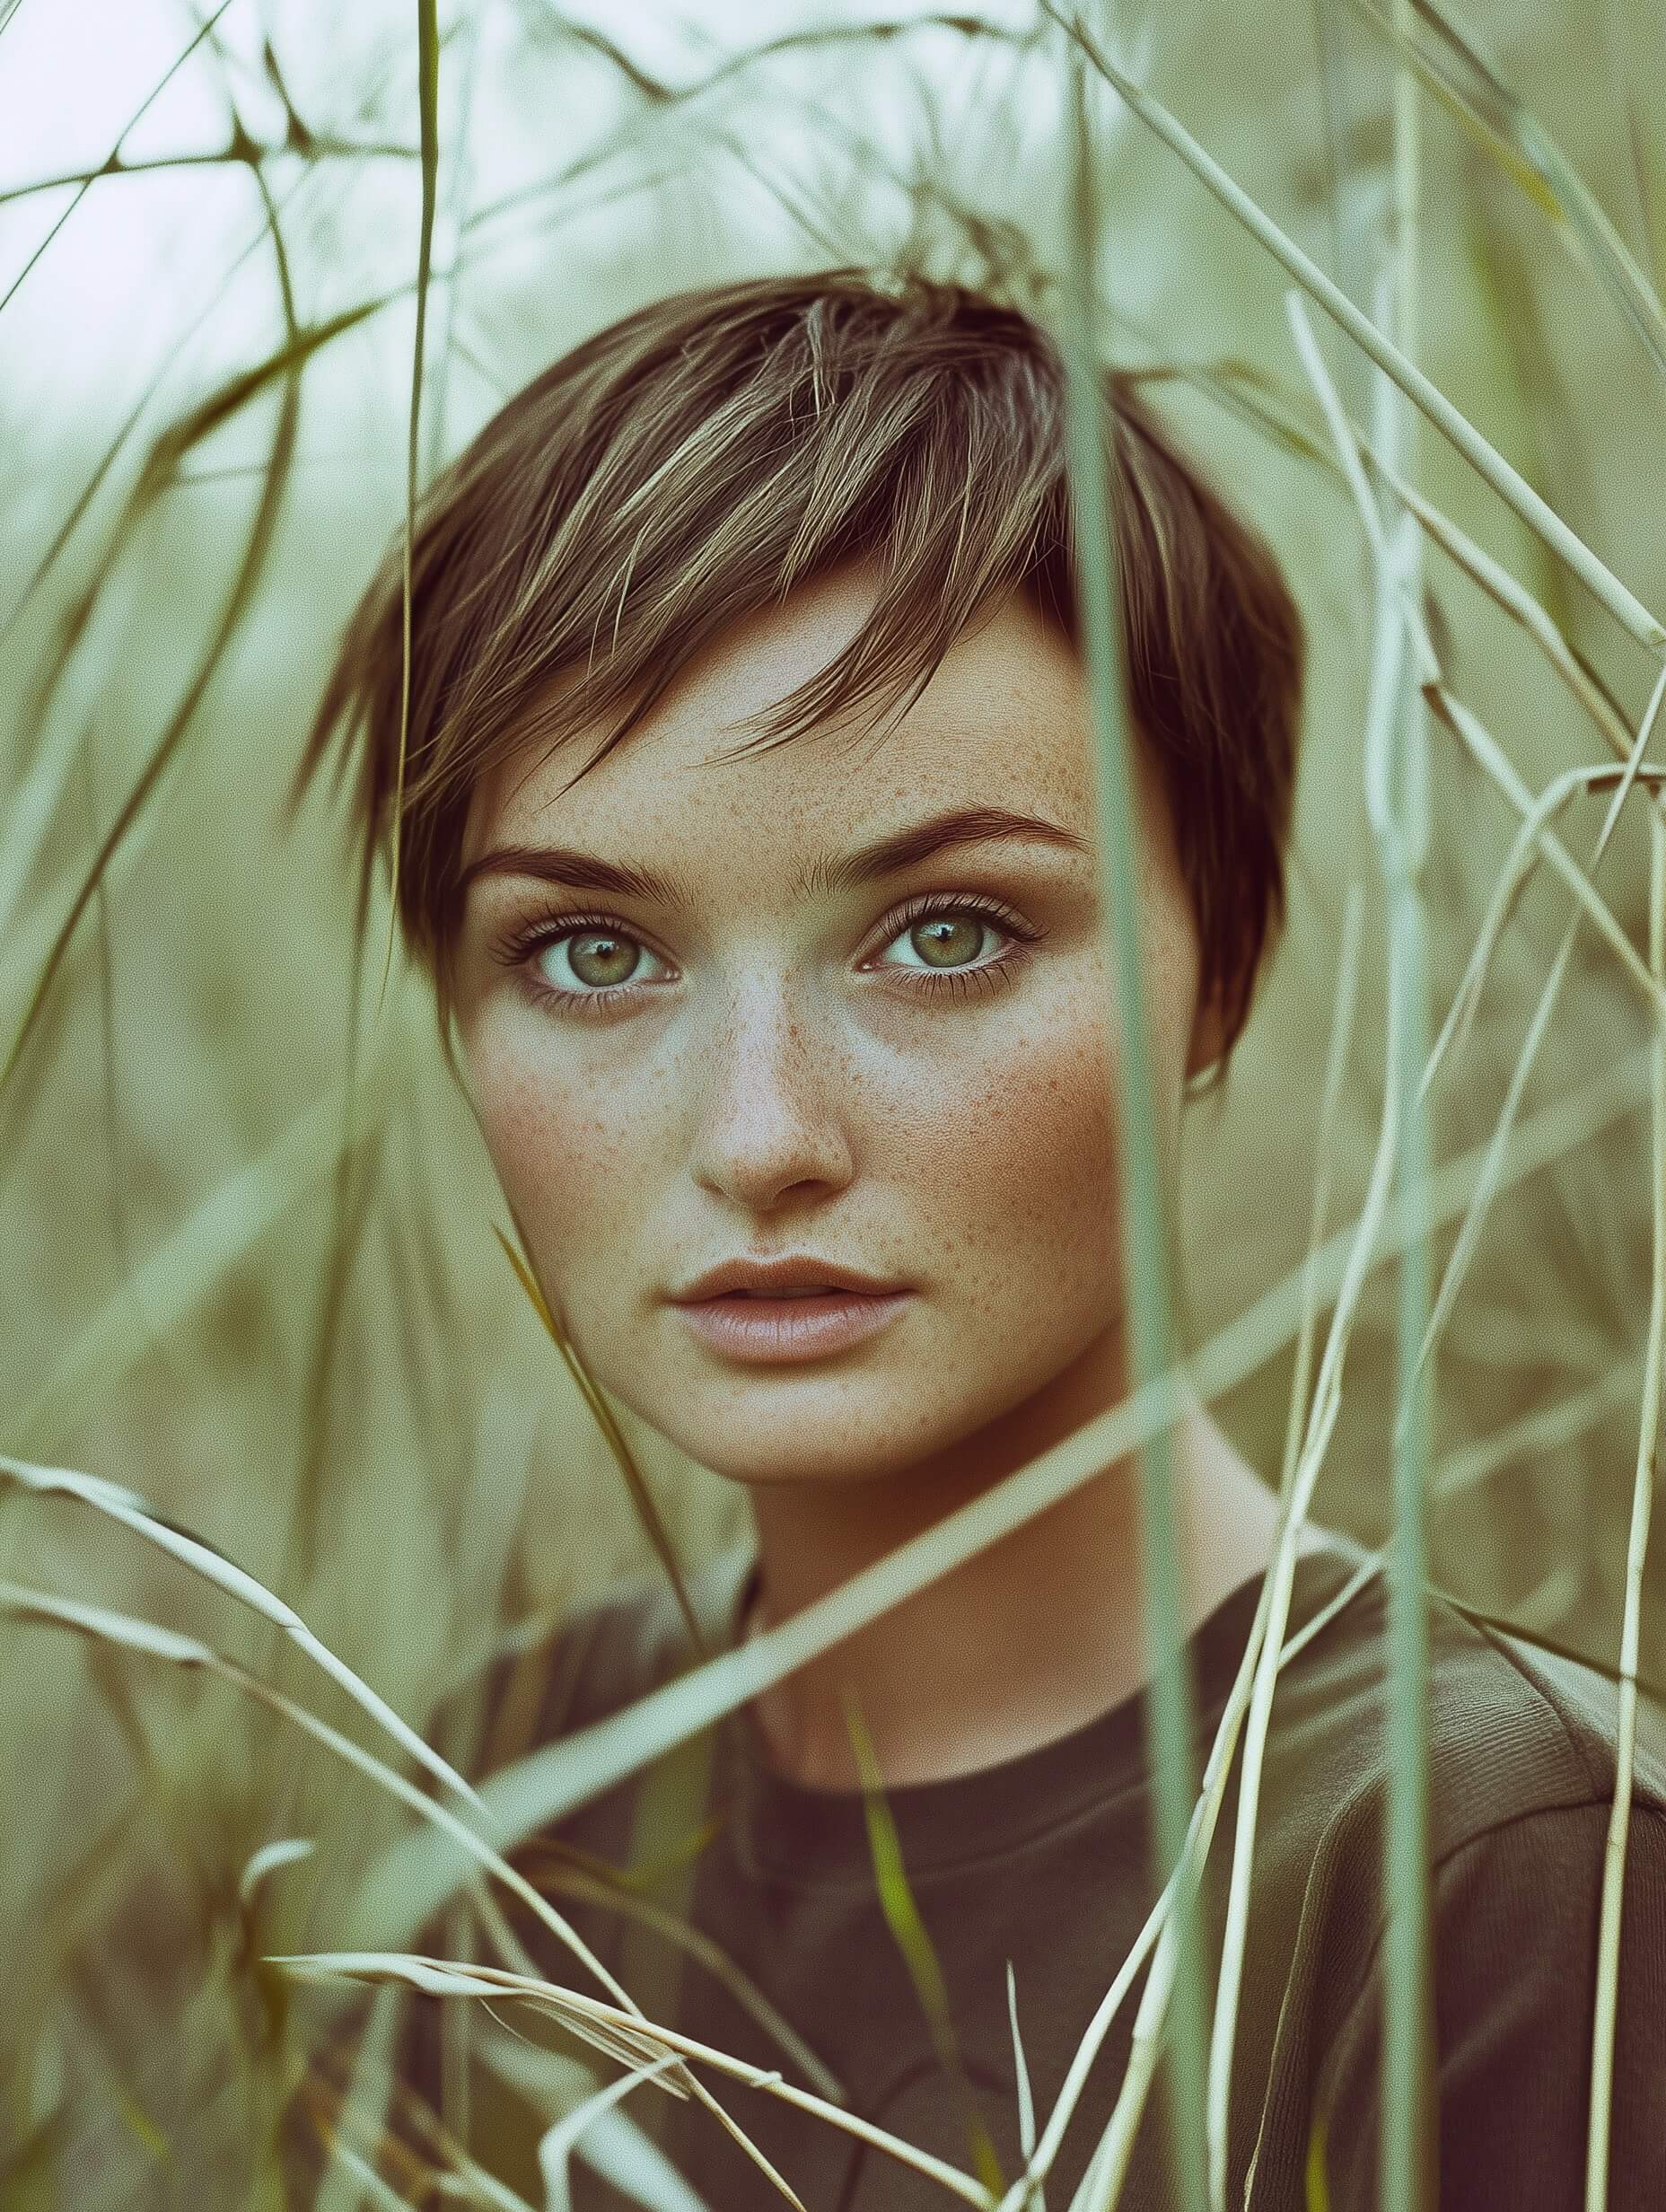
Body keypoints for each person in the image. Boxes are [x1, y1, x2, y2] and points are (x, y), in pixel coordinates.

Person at [285, 272, 1666, 2208]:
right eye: (590, 952)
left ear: (1222, 970)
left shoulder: (1497, 1871)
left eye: (946, 931)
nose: (759, 1134)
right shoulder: (509, 1788)